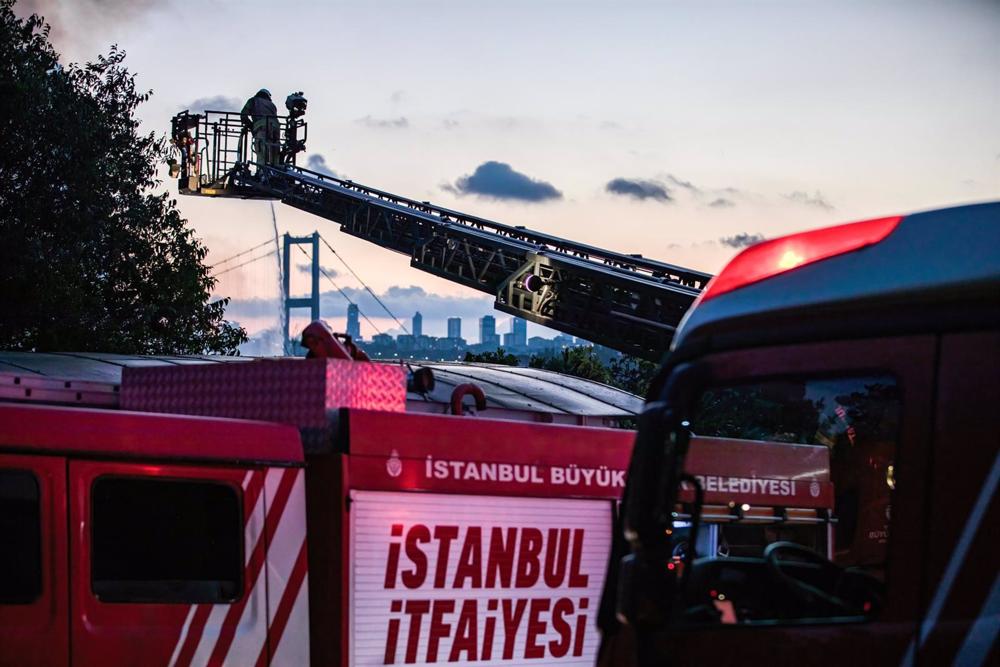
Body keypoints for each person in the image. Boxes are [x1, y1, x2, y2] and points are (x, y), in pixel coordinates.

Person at [240, 89, 279, 172]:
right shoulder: (272, 105)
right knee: (274, 152)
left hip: (261, 127)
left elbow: (243, 115)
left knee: (261, 151)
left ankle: (262, 174)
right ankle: (275, 172)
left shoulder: (253, 101)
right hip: (276, 128)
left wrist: (251, 126)